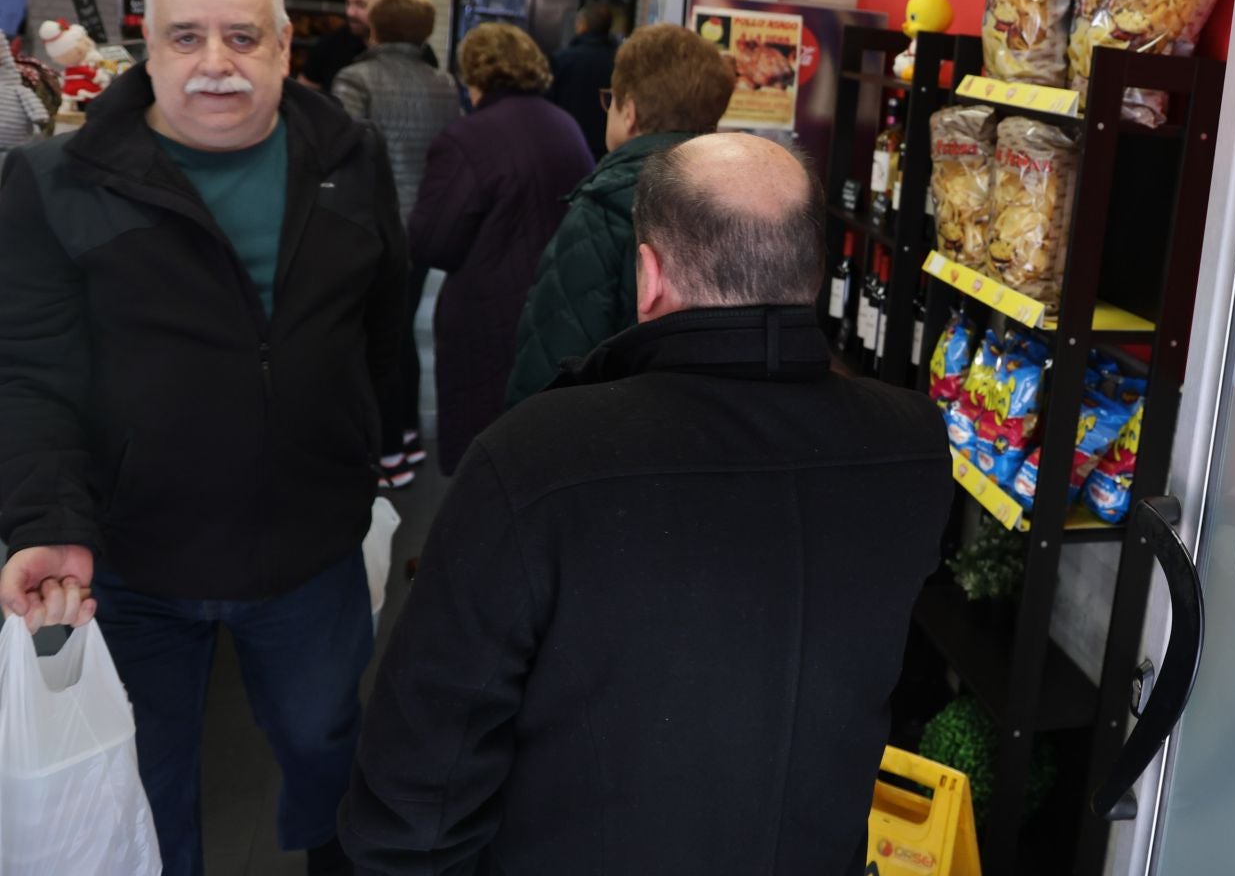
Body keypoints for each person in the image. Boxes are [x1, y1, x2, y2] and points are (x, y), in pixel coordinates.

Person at [342, 134, 951, 874]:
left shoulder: (537, 455)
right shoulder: (912, 445)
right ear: (811, 274)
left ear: (648, 275)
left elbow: (419, 783)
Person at [0, 0, 409, 876]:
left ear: (282, 48)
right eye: (186, 38)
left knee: (331, 755)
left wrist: (373, 444)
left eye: (243, 37)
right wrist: (49, 520)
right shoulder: (53, 184)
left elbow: (379, 326)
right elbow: (27, 373)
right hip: (134, 555)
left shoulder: (352, 162)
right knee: (147, 790)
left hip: (311, 548)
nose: (215, 64)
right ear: (149, 47)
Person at [504, 23, 735, 407]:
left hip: (617, 433)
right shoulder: (738, 203)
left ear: (629, 112)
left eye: (610, 99)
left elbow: (553, 359)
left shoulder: (604, 208)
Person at [409, 23, 592, 472]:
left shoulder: (467, 139)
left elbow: (433, 242)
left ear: (474, 73)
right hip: (557, 306)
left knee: (482, 456)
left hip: (485, 318)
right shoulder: (564, 124)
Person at [333, 0, 463, 486]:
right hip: (423, 229)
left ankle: (387, 451)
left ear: (377, 28)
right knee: (401, 331)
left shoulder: (356, 78)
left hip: (371, 226)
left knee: (375, 337)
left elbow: (341, 153)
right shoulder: (445, 83)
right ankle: (405, 440)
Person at [546, 1, 622, 158]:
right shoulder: (620, 62)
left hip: (566, 143)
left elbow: (548, 104)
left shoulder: (562, 60)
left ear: (582, 25)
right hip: (605, 149)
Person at [301, 0, 390, 93]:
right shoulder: (329, 45)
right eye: (348, 3)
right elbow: (304, 95)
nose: (350, 13)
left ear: (387, 6)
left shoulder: (411, 50)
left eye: (361, 5)